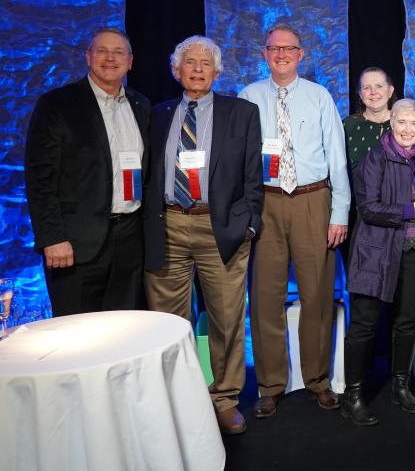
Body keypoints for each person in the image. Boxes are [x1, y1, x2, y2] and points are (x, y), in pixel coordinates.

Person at [142, 35, 263, 435]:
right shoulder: (156, 114)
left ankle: (224, 399)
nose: (197, 69)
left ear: (217, 71)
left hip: (220, 227)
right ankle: (176, 398)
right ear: (176, 71)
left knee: (228, 318)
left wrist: (247, 224)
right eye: (189, 62)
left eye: (205, 63)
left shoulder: (242, 112)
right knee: (167, 321)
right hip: (169, 224)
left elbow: (252, 176)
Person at [238, 23, 350, 419]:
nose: (281, 54)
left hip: (311, 201)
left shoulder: (320, 97)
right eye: (274, 48)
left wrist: (339, 212)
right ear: (265, 53)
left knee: (317, 294)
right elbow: (240, 159)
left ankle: (318, 380)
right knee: (265, 297)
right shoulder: (248, 96)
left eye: (289, 49)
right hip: (266, 202)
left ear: (301, 55)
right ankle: (270, 385)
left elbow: (337, 157)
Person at [25, 27, 150, 316]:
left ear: (130, 61)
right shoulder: (57, 104)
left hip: (130, 242)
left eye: (119, 52)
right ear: (88, 57)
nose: (110, 58)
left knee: (123, 330)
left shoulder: (140, 105)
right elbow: (39, 178)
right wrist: (52, 237)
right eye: (102, 51)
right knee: (76, 335)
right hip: (74, 245)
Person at [341, 99, 415, 426]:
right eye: (401, 122)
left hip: (411, 251)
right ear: (391, 124)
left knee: (406, 321)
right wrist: (411, 208)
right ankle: (353, 395)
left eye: (414, 123)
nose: (407, 129)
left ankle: (400, 385)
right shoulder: (374, 159)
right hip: (375, 251)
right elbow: (369, 209)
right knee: (363, 325)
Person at [343, 67, 397, 175]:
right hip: (357, 191)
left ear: (390, 91)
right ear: (360, 94)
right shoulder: (347, 125)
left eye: (379, 86)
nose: (373, 92)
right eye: (367, 87)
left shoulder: (404, 124)